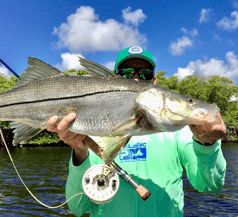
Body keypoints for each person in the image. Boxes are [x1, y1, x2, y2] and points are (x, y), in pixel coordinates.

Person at [46, 46, 227, 217]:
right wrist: (80, 152)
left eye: (145, 74)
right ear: (113, 79)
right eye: (126, 74)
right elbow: (77, 207)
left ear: (154, 82)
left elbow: (210, 186)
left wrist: (207, 145)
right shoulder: (90, 134)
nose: (135, 80)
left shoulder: (181, 133)